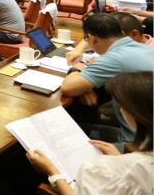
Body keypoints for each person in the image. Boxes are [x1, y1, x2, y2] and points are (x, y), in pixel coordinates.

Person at [26, 71, 153, 195]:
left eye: (123, 105)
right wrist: (119, 157)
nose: (121, 110)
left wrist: (53, 173)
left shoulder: (99, 168)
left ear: (137, 113)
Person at [61, 14, 154, 148]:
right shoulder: (141, 47)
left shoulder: (114, 59)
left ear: (92, 38)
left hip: (136, 146)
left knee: (67, 131)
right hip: (147, 135)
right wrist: (86, 87)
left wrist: (77, 68)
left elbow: (68, 88)